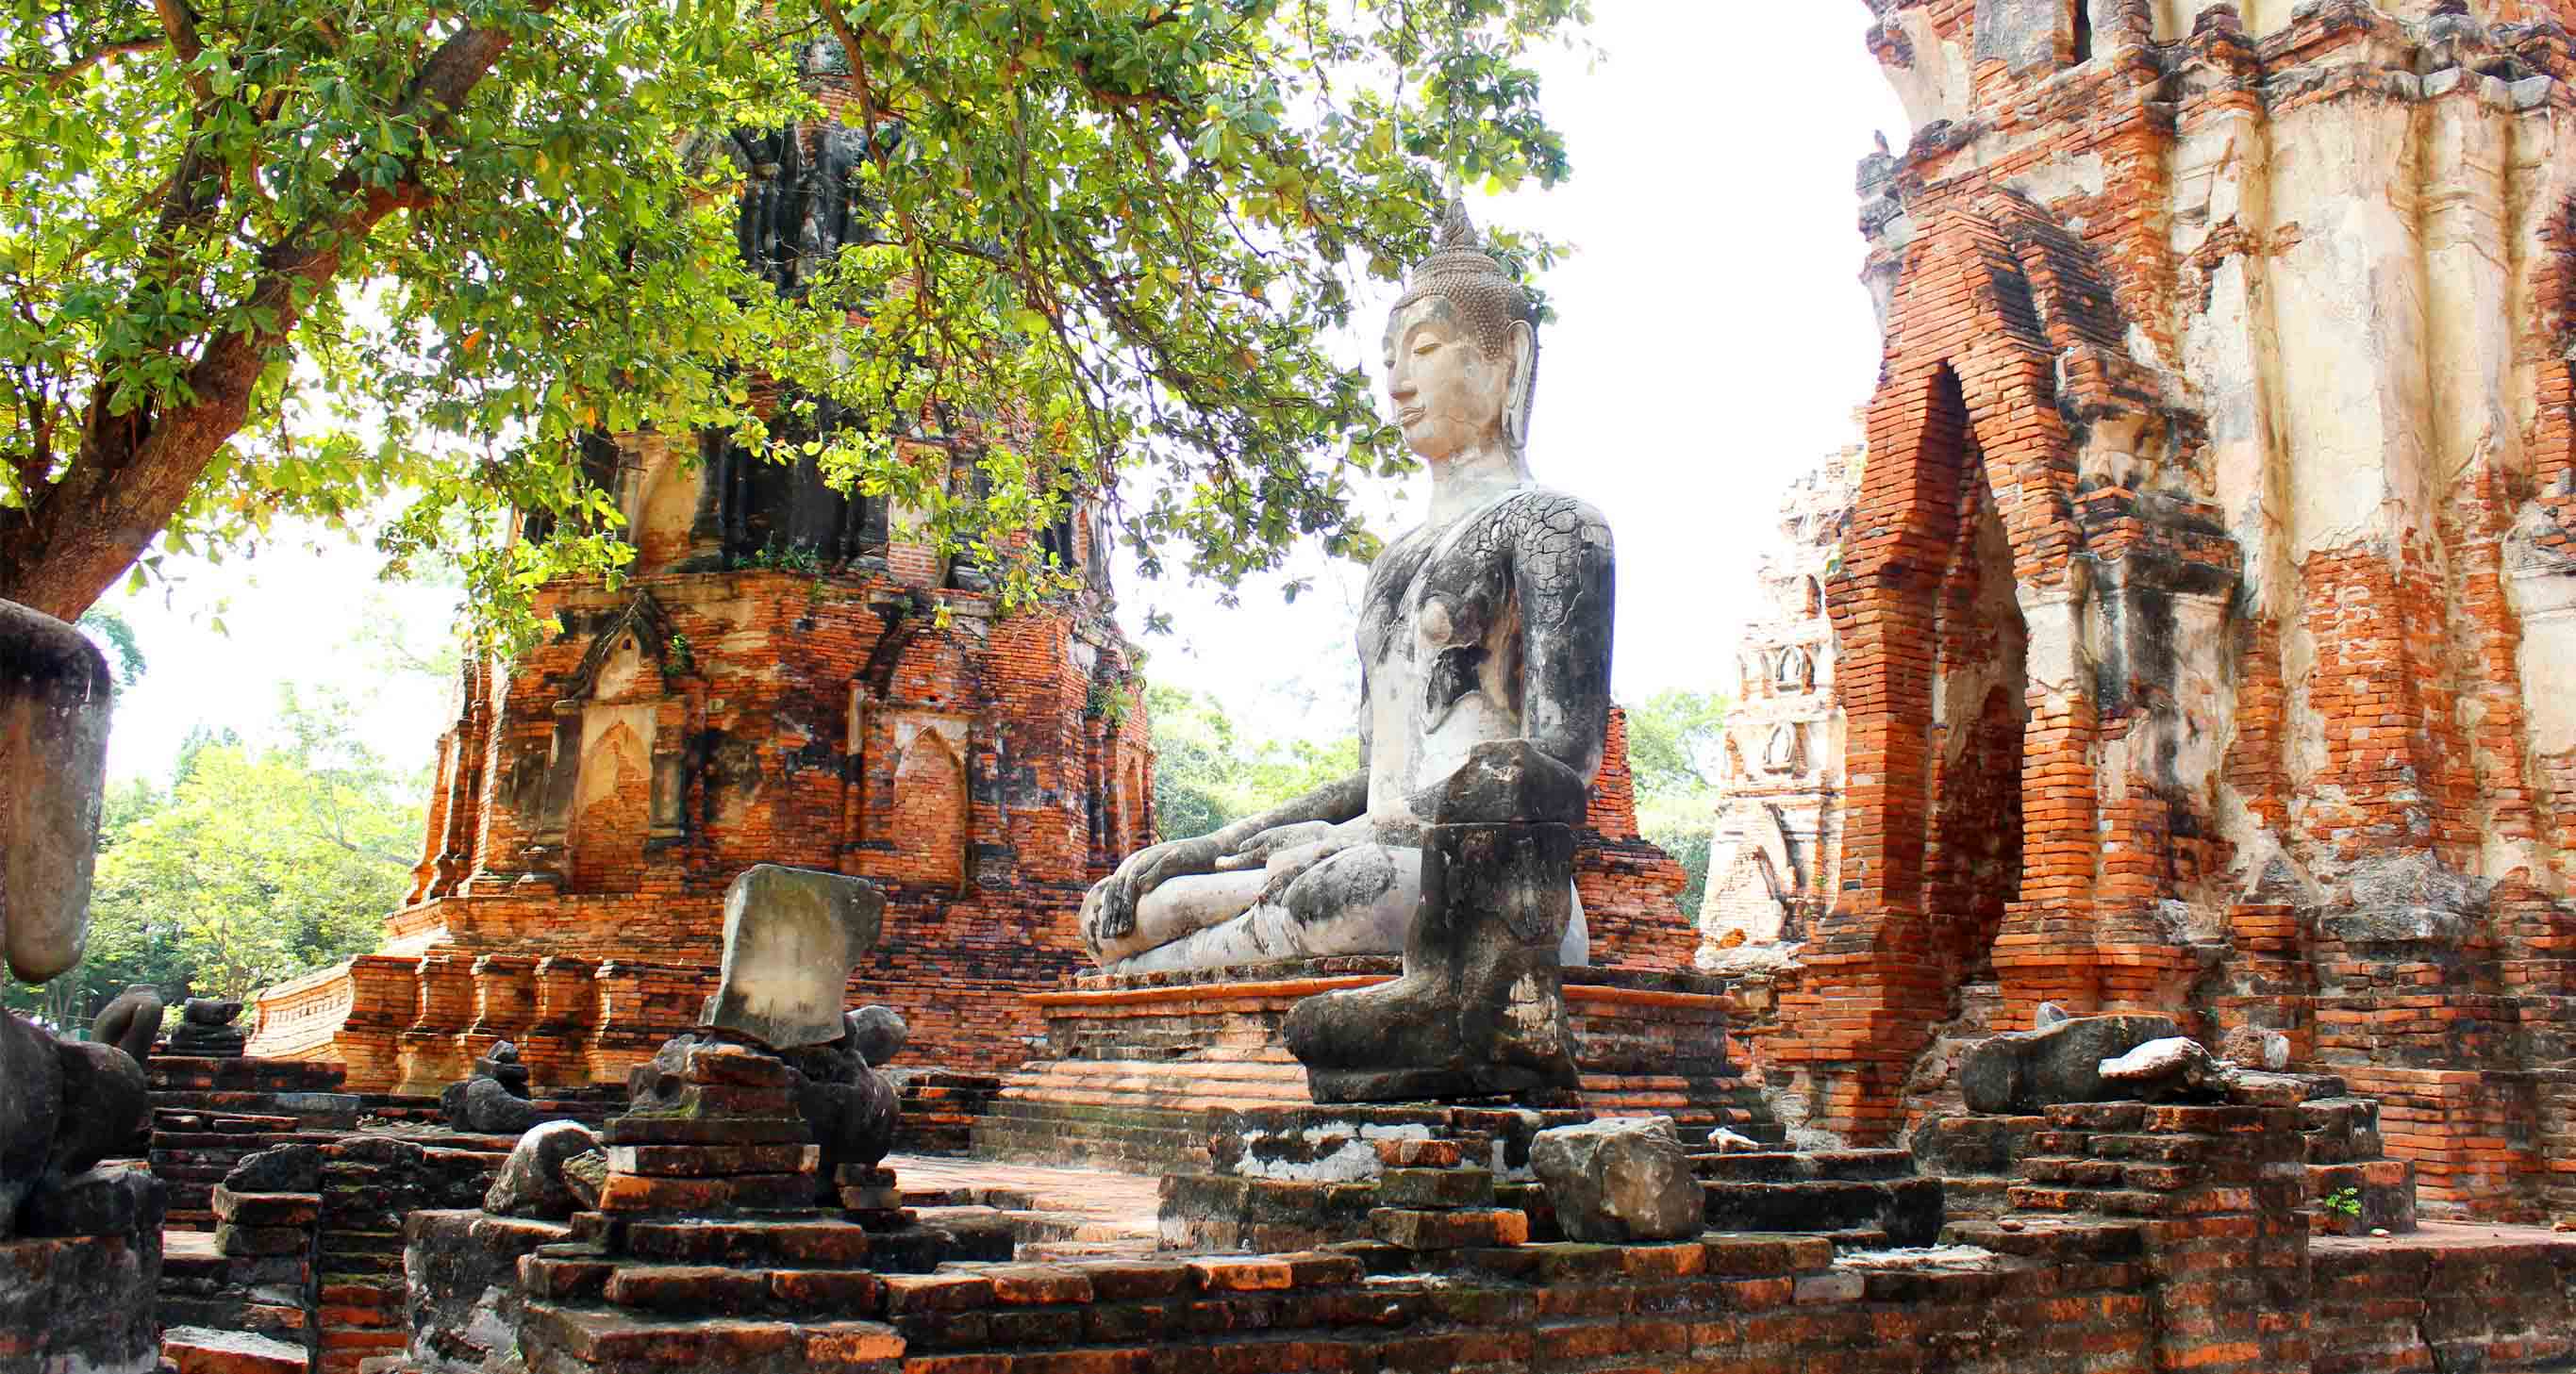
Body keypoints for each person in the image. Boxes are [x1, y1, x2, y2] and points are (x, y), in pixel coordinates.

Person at [1080, 200, 1613, 974]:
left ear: (1510, 362)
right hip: (1359, 855)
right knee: (1114, 912)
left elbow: (1560, 759)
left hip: (1477, 876)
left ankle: (1184, 963)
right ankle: (1179, 957)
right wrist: (1213, 843)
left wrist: (1361, 836)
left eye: (1426, 349)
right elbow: (1376, 775)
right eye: (1390, 354)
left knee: (1349, 889)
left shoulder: (1556, 527)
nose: (1397, 382)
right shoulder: (1394, 563)